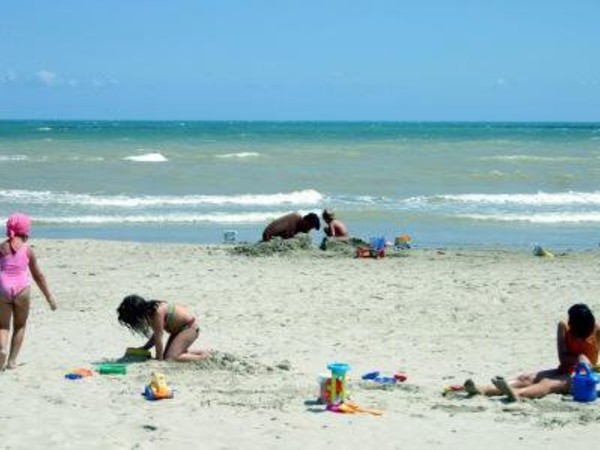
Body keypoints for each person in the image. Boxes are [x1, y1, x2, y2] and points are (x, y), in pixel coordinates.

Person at [463, 303, 600, 402]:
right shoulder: (563, 326)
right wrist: (580, 357)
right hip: (564, 368)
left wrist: (589, 364)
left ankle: (517, 394)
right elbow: (562, 357)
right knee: (525, 378)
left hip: (582, 376)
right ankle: (483, 389)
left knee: (547, 383)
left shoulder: (597, 329)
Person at [0, 212, 57, 371]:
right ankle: (11, 361)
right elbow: (38, 276)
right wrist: (49, 297)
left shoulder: (2, 247)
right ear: (25, 230)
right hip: (22, 289)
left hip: (3, 287)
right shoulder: (28, 250)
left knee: (3, 326)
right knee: (20, 325)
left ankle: (2, 349)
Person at [117, 294, 208, 362]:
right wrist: (145, 348)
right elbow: (156, 336)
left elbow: (159, 339)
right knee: (168, 355)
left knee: (171, 358)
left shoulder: (157, 312)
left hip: (189, 328)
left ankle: (205, 357)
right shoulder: (150, 311)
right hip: (179, 330)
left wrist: (158, 360)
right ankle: (204, 353)